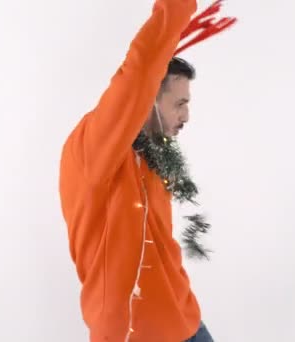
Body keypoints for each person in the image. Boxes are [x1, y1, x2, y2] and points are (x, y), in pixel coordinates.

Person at [58, 1, 235, 341]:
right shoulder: (93, 148)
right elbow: (138, 72)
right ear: (149, 97)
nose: (187, 116)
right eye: (180, 104)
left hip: (188, 323)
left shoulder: (152, 154)